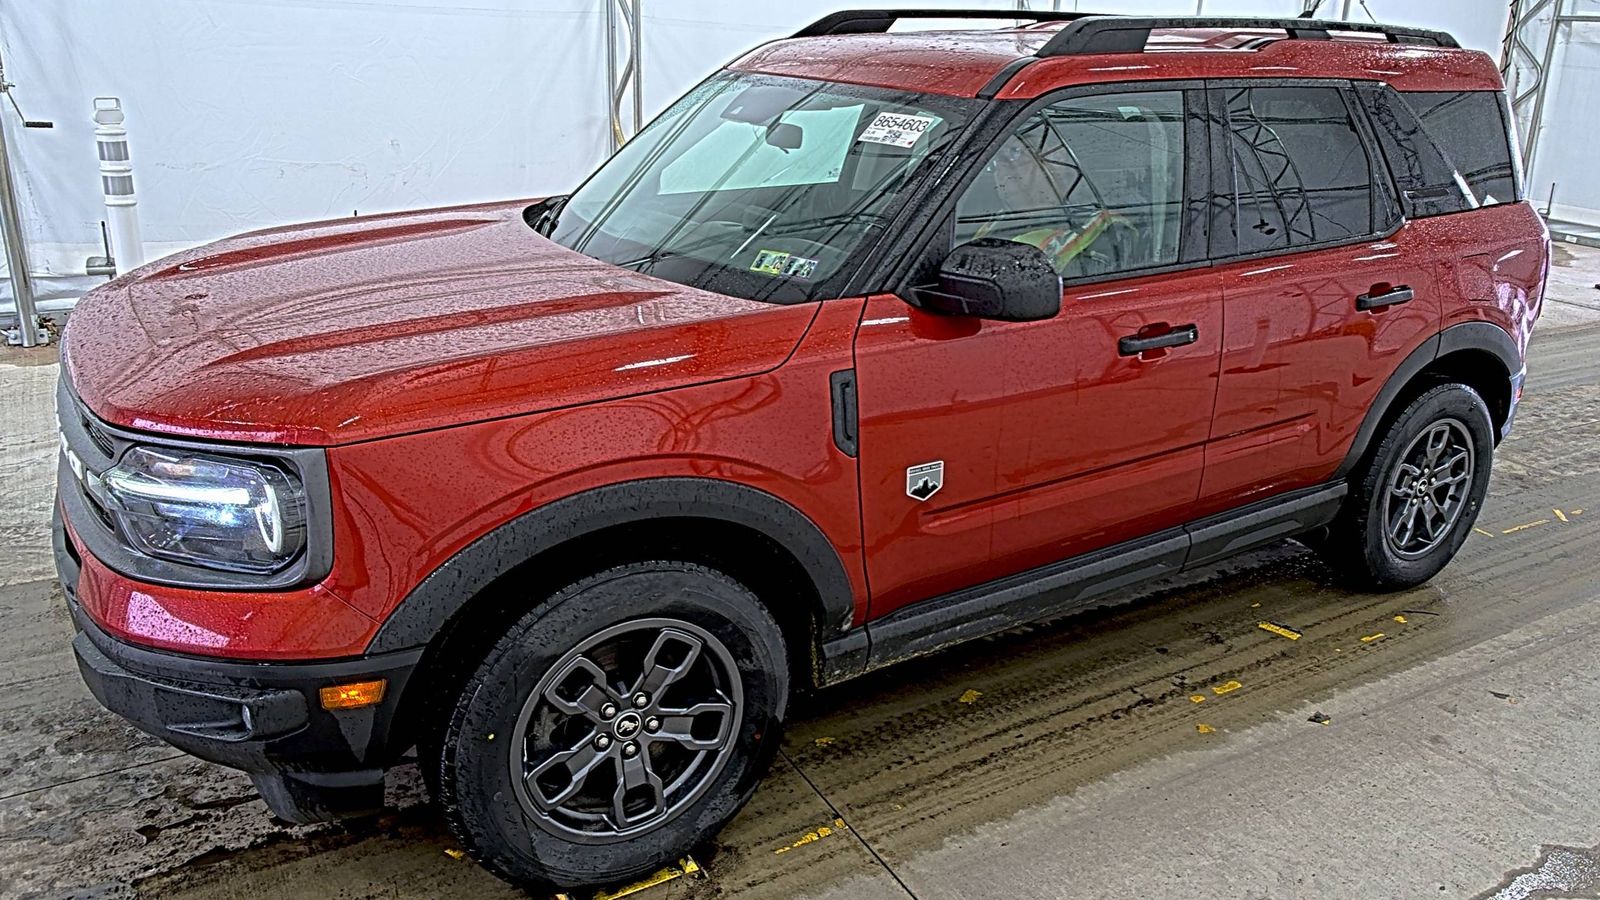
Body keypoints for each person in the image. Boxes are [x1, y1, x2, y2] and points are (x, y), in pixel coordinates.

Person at [967, 132, 1119, 274]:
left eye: (1015, 152)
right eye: (995, 160)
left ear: (1058, 158)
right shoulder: (993, 222)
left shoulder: (1102, 231)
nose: (1000, 168)